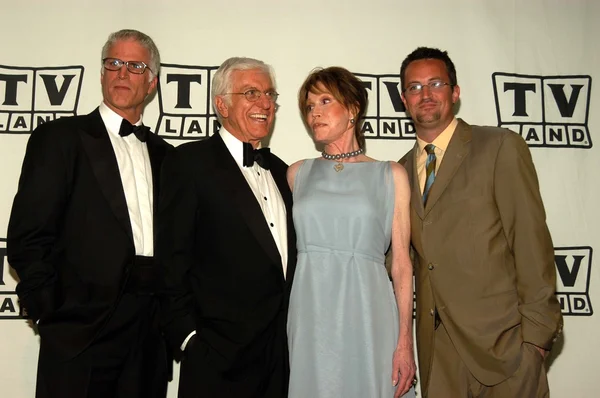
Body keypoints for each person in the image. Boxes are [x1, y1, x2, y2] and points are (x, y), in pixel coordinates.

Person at [7, 29, 172, 398]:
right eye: (113, 63)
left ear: (152, 82)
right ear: (101, 73)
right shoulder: (60, 139)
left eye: (134, 66)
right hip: (79, 331)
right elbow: (28, 235)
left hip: (148, 333)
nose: (122, 73)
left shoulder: (168, 156)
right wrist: (51, 313)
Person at [397, 46, 563, 397]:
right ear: (403, 99)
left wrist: (536, 341)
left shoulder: (499, 147)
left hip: (505, 349)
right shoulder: (398, 172)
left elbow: (531, 242)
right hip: (437, 354)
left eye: (436, 84)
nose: (425, 95)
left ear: (455, 93)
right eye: (414, 87)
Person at [157, 57, 296, 398]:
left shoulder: (282, 171)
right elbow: (171, 258)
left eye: (269, 94)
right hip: (216, 360)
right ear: (222, 104)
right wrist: (189, 338)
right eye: (251, 93)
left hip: (281, 357)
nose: (265, 103)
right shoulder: (189, 162)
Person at [286, 66, 416, 398]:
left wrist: (404, 342)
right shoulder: (297, 173)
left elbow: (401, 264)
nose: (314, 112)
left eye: (325, 101)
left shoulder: (391, 175)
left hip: (368, 312)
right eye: (309, 105)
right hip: (310, 313)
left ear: (353, 110)